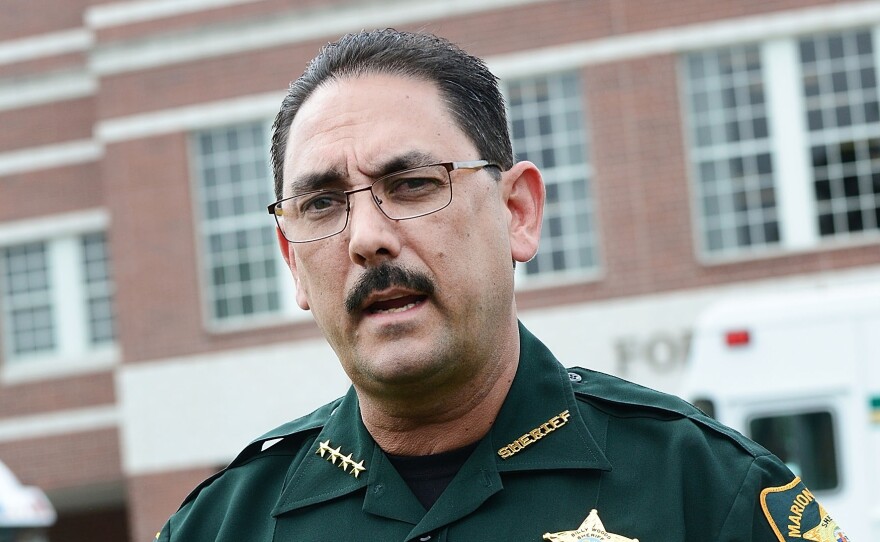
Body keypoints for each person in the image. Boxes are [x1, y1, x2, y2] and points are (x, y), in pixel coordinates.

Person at [156, 29, 849, 541]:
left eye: (412, 184)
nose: (365, 236)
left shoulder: (707, 494)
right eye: (322, 204)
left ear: (518, 213)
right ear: (290, 260)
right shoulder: (221, 527)